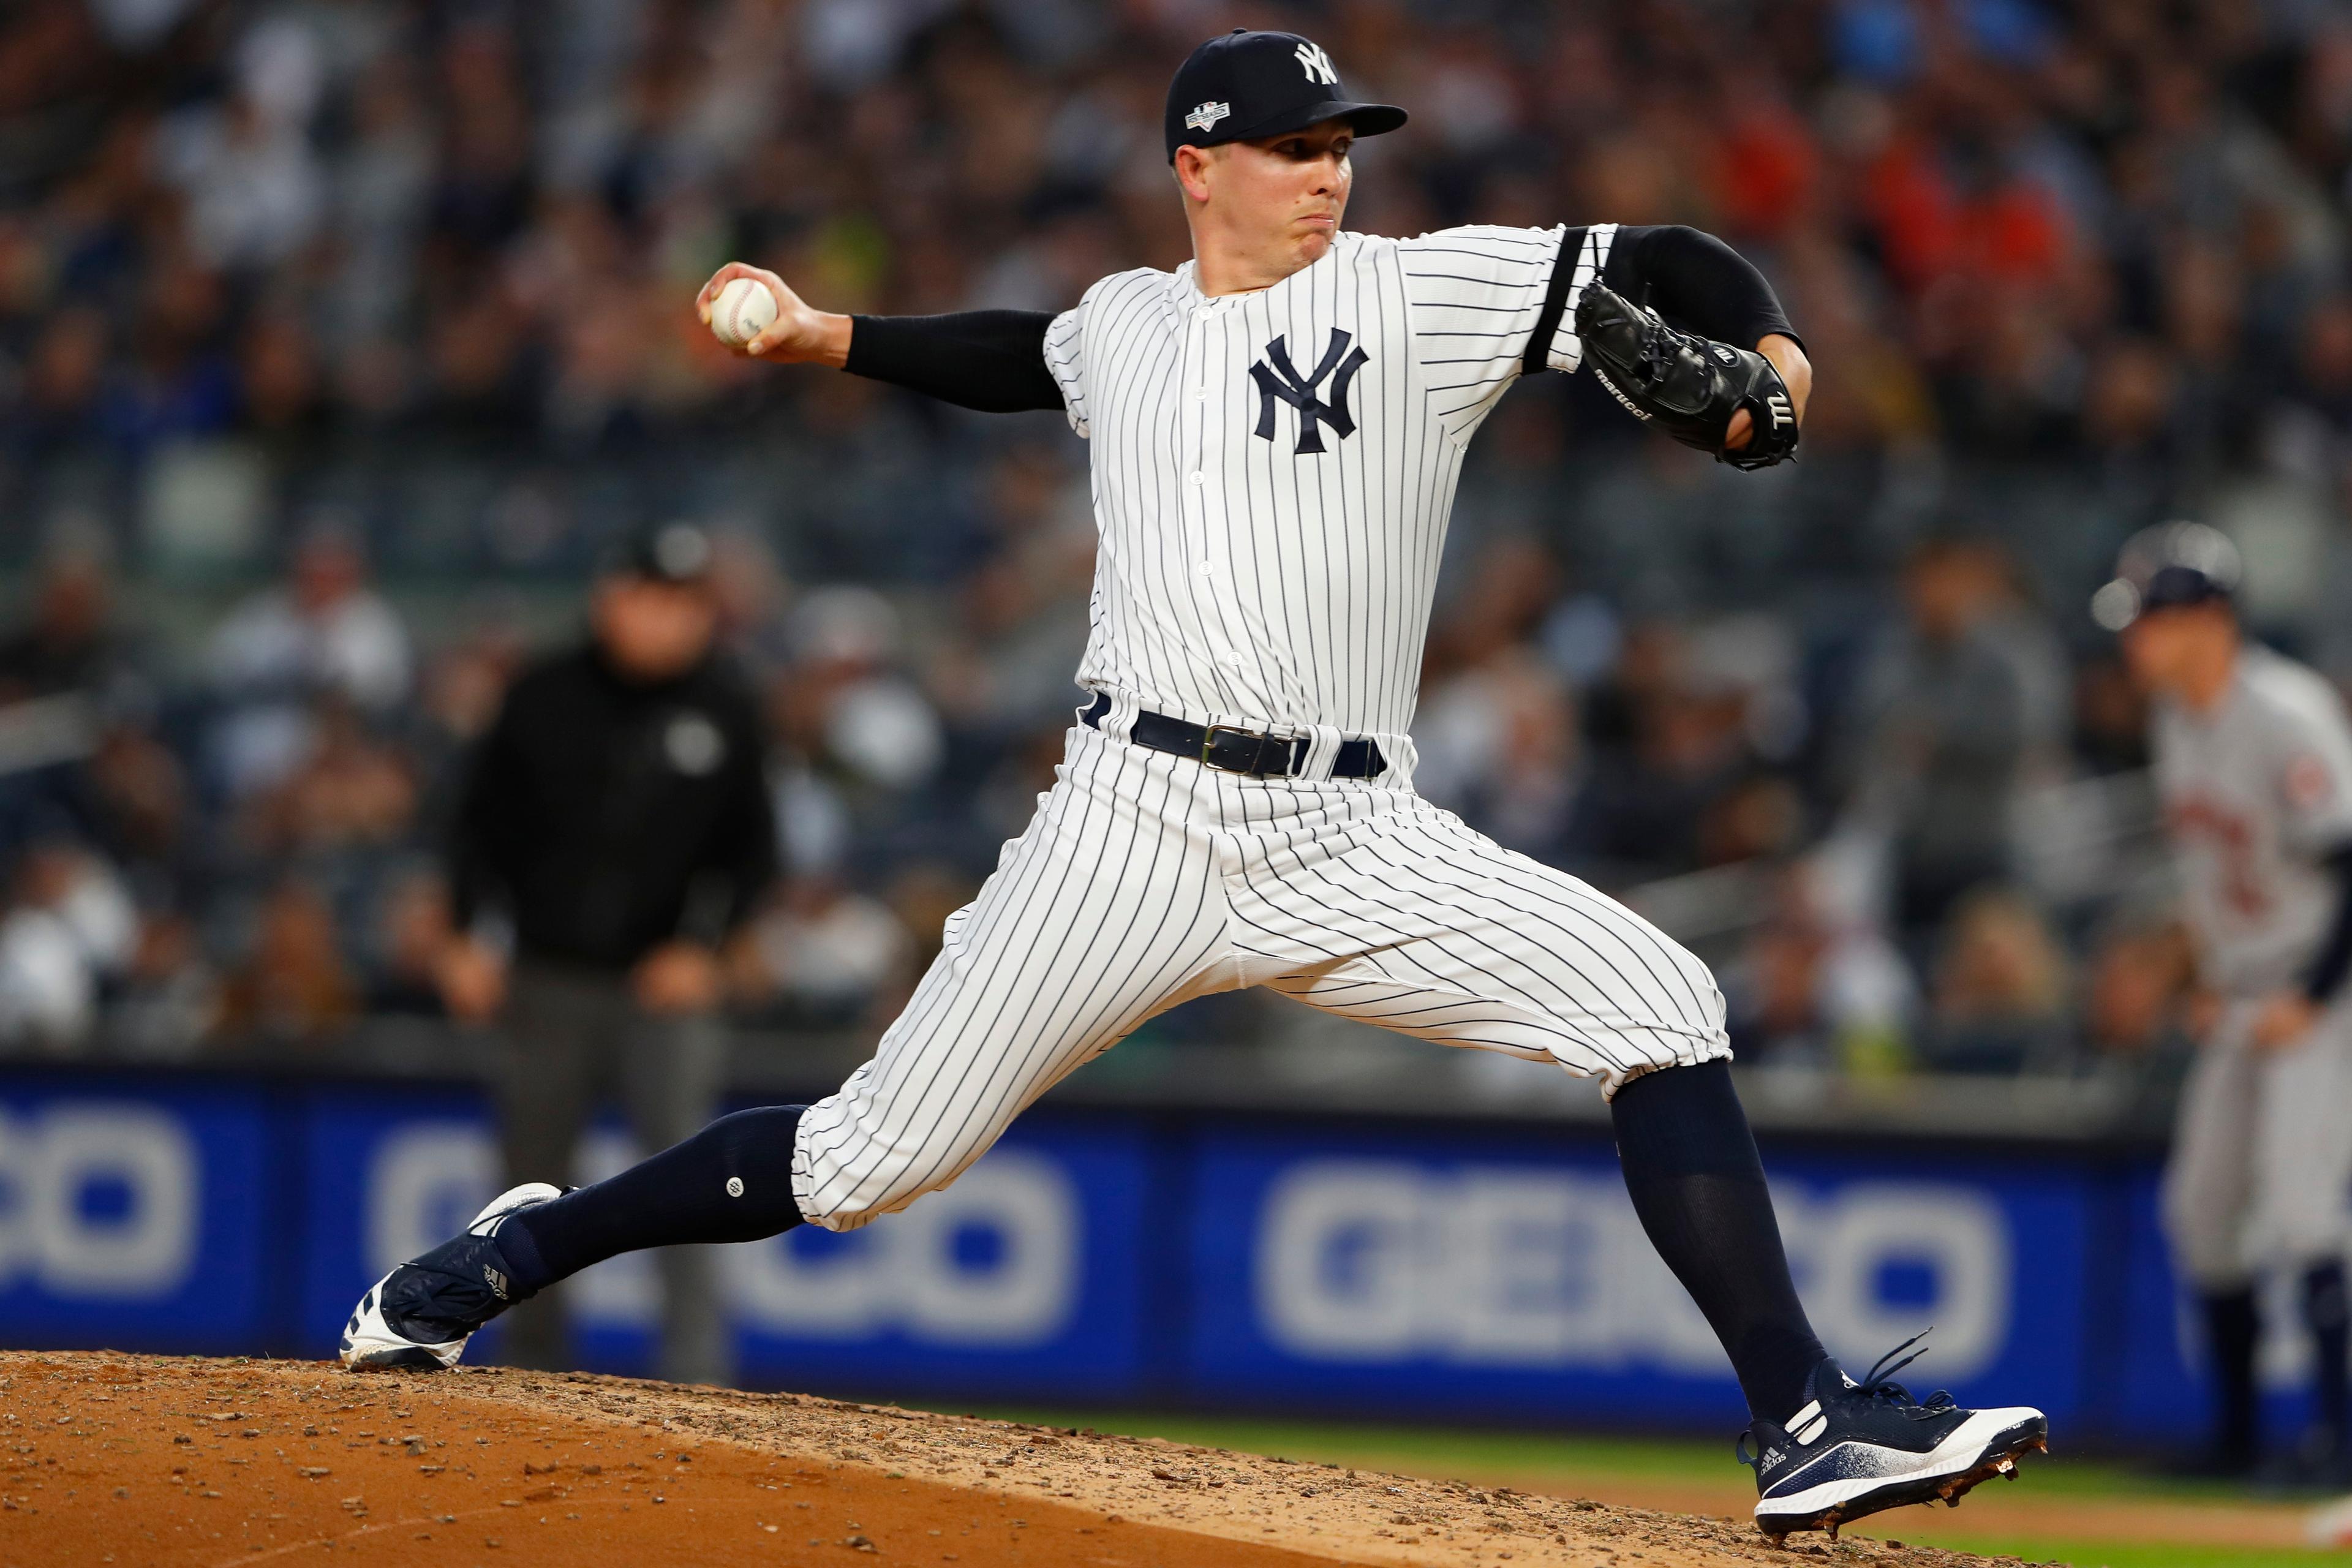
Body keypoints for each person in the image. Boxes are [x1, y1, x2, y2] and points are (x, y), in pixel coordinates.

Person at [339, 31, 2045, 1539]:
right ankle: (521, 1254)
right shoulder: (1127, 324)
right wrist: (818, 336)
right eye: (1296, 148)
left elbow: (1668, 251)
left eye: (1341, 147)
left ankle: (1803, 1423)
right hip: (1130, 825)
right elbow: (1020, 351)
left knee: (1660, 998)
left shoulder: (1413, 292)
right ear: (1198, 165)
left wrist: (1784, 373)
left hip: (1350, 830)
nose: (1328, 173)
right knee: (868, 1161)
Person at [431, 521, 780, 1385]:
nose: (667, 620)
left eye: (685, 604)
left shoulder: (727, 706)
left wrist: (707, 949)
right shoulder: (543, 694)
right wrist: (465, 933)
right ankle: (531, 1379)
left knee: (701, 1185)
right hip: (546, 976)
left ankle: (699, 1383)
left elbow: (756, 853)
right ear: (610, 598)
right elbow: (475, 828)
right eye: (651, 599)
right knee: (529, 1189)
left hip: (662, 987)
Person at [2096, 521, 2352, 1480]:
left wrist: (2312, 997)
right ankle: (2236, 1443)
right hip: (2247, 984)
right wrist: (2203, 976)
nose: (2137, 641)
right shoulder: (2178, 722)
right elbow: (2216, 880)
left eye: (2153, 618)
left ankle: (2338, 1446)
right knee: (2202, 1209)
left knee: (2299, 1210)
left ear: (2210, 618)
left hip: (2323, 984)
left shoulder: (2289, 712)